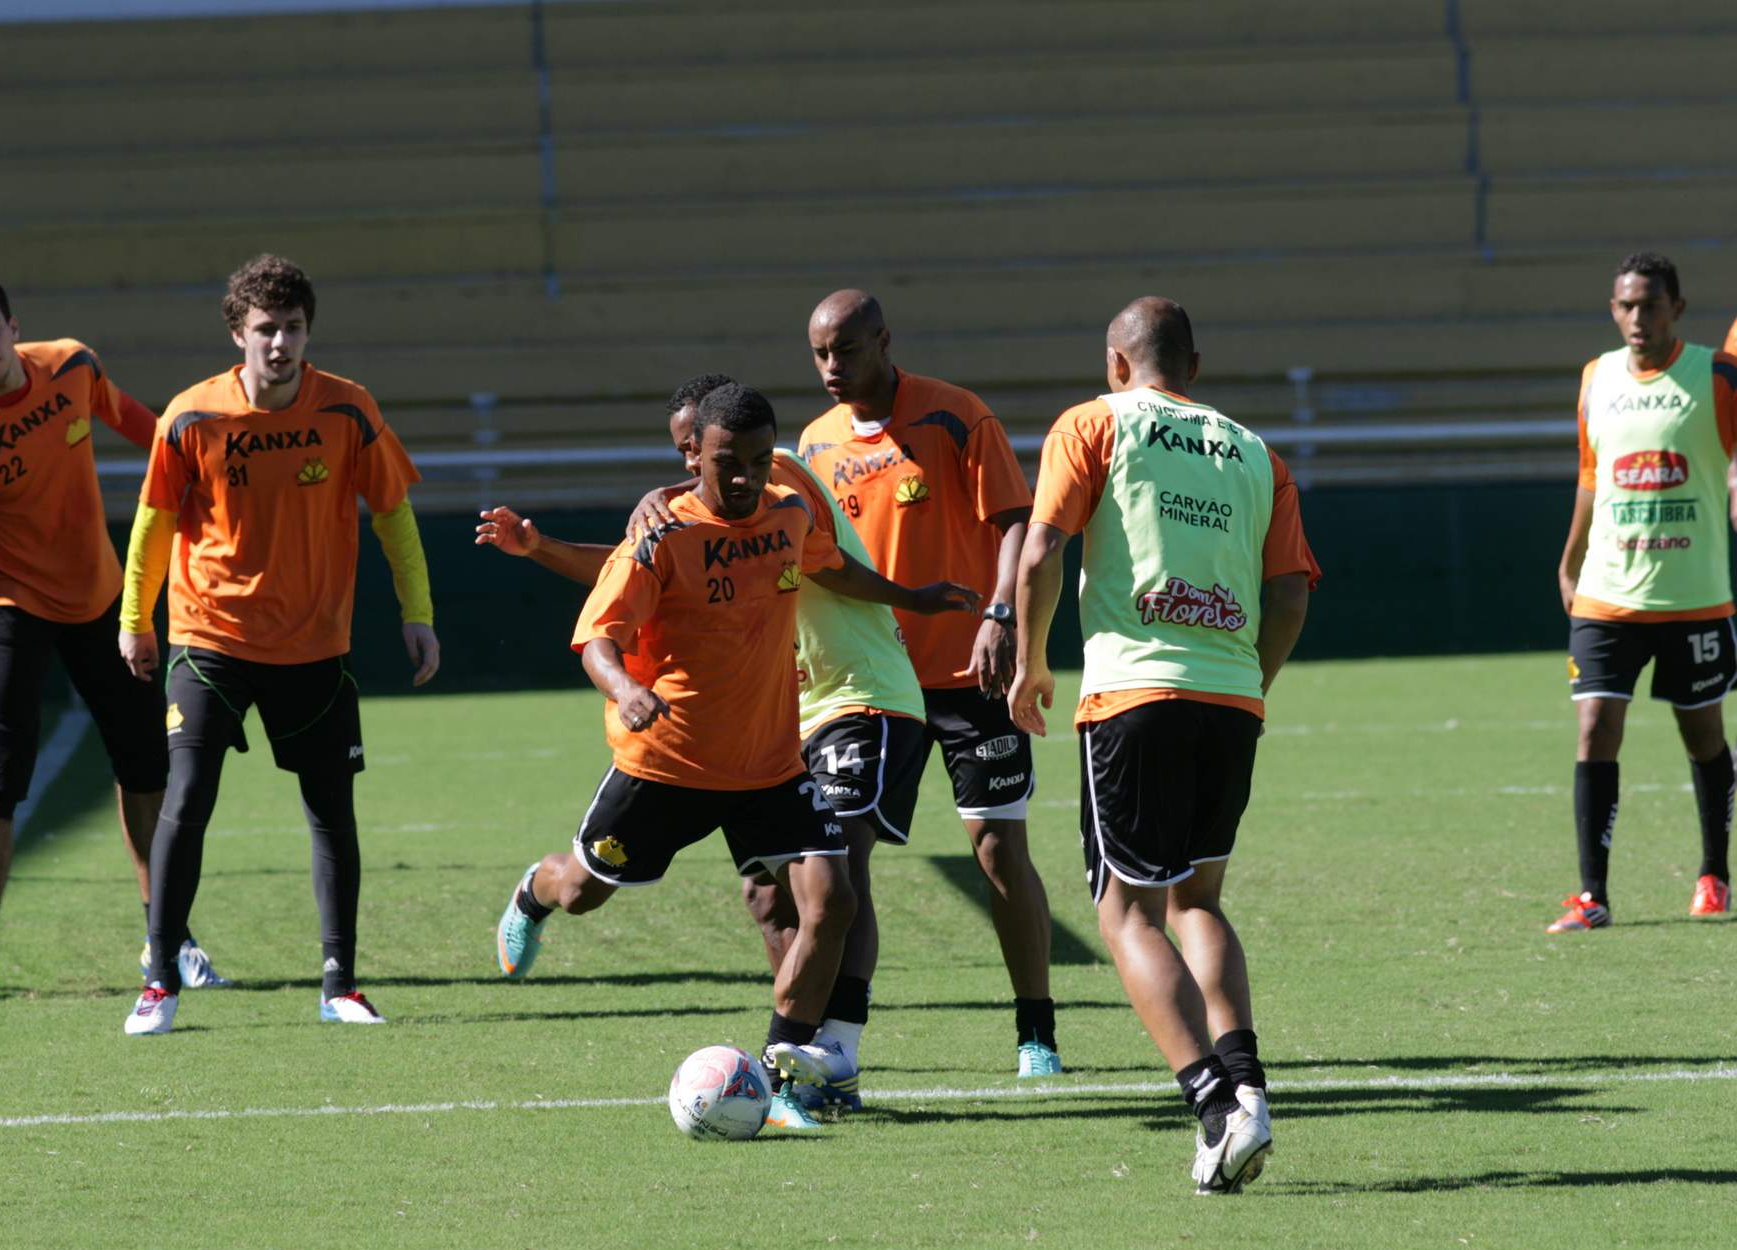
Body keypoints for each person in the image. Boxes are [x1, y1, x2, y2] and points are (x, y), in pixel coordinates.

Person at [478, 373, 968, 1114]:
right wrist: (626, 689)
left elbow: (836, 569)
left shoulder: (789, 513)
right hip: (668, 763)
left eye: (757, 460)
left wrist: (913, 598)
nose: (744, 477)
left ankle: (780, 1074)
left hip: (769, 765)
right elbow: (598, 638)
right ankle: (534, 891)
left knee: (832, 900)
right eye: (725, 463)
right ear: (693, 458)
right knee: (582, 891)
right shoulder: (659, 536)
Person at [1008, 296, 1319, 1194]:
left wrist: (1029, 663)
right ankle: (1248, 1084)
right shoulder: (1256, 452)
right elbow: (1292, 593)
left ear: (1117, 363)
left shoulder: (1094, 423)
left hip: (1133, 695)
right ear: (1196, 366)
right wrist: (1251, 681)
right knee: (1198, 901)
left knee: (1126, 914)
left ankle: (1217, 1108)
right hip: (1231, 697)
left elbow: (1040, 552)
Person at [0, 271, 228, 1003]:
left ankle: (168, 939)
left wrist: (204, 479)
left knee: (147, 769)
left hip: (101, 597)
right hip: (10, 603)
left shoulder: (71, 366)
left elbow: (141, 425)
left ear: (14, 326)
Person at [115, 254, 440, 1035]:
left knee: (331, 812)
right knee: (188, 795)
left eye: (293, 328)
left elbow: (393, 513)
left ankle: (340, 985)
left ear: (307, 333)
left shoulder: (349, 409)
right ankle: (160, 980)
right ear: (239, 334)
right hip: (209, 639)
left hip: (313, 645)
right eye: (266, 329)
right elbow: (154, 522)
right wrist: (134, 619)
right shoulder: (191, 416)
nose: (280, 343)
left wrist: (418, 612)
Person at [797, 290, 1062, 1076]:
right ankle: (839, 1041)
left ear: (883, 341)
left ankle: (1036, 1032)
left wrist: (1000, 614)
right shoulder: (814, 443)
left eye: (846, 350)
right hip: (872, 684)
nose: (832, 367)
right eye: (820, 354)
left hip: (972, 672)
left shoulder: (955, 415)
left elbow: (1015, 520)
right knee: (846, 854)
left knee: (997, 848)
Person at [1551, 253, 1737, 932]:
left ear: (1676, 310)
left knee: (1703, 734)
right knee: (1595, 729)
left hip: (1694, 595)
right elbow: (1591, 476)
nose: (1638, 317)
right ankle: (1592, 896)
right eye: (1626, 305)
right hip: (1607, 592)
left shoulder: (1717, 377)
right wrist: (1570, 560)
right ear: (1613, 309)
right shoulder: (1595, 378)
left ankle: (1714, 873)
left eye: (1651, 305)